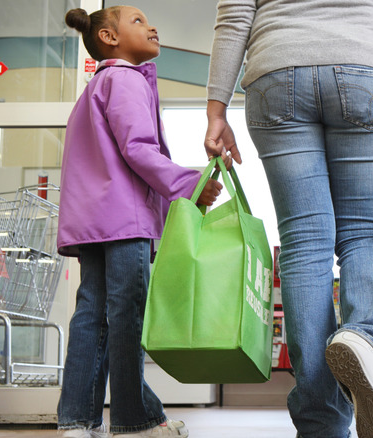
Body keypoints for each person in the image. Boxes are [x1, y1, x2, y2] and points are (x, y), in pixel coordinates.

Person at [203, 1, 373, 437]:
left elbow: (234, 15)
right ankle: (369, 346)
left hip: (275, 71)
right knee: (365, 232)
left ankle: (321, 419)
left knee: (305, 244)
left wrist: (216, 109)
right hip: (364, 65)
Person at [57, 6, 224, 438]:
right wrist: (191, 184)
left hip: (92, 221)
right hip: (124, 222)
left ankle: (77, 421)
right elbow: (138, 149)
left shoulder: (97, 86)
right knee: (127, 314)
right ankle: (136, 420)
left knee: (92, 315)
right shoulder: (126, 79)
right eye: (137, 21)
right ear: (110, 38)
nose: (152, 27)